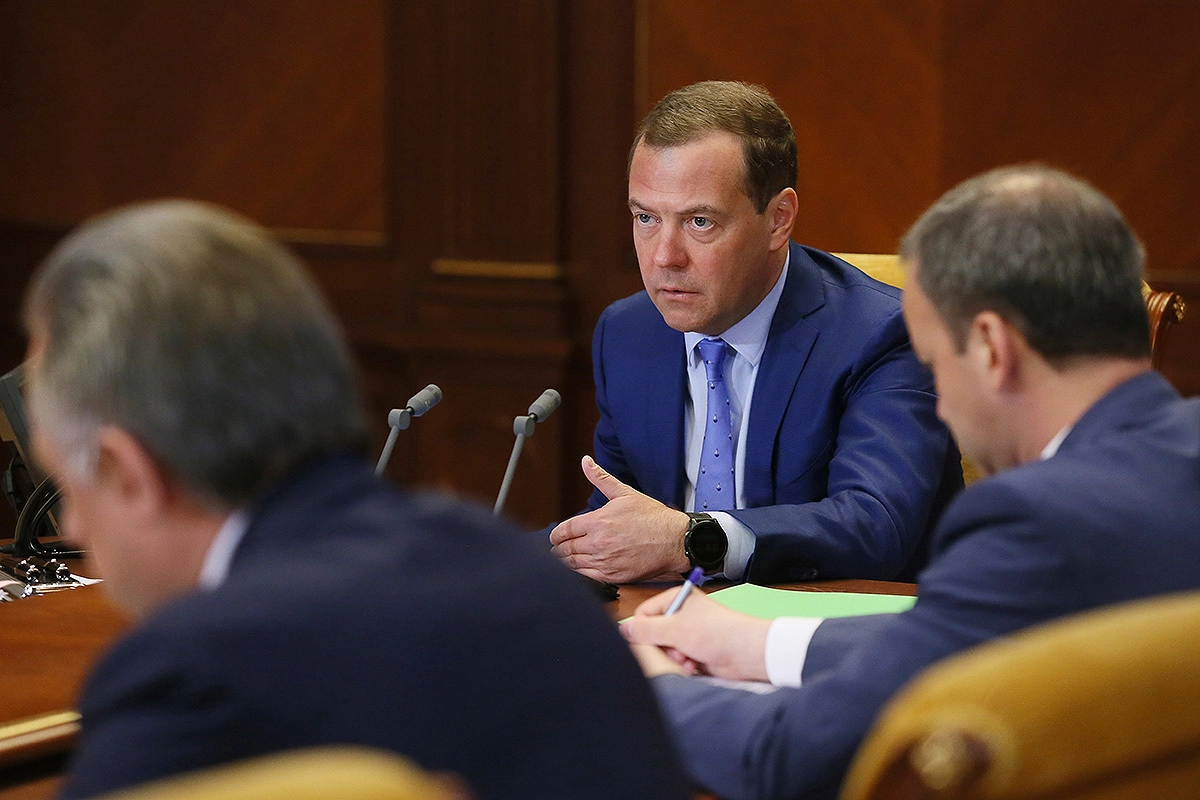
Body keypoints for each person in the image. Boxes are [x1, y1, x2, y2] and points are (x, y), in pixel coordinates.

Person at [23, 201, 690, 800]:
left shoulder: (194, 680)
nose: (72, 525)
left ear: (127, 472)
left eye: (71, 486)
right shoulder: (524, 575)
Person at [621, 164, 1200, 799]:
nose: (941, 407)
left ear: (991, 349)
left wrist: (649, 687)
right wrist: (758, 642)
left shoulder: (1038, 522)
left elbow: (784, 759)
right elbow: (968, 631)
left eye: (933, 364)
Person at [549, 81, 961, 585]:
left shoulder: (882, 334)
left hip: (838, 623)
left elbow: (875, 524)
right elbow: (617, 518)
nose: (664, 257)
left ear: (778, 220)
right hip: (677, 621)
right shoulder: (628, 333)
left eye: (700, 222)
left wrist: (693, 540)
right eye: (646, 218)